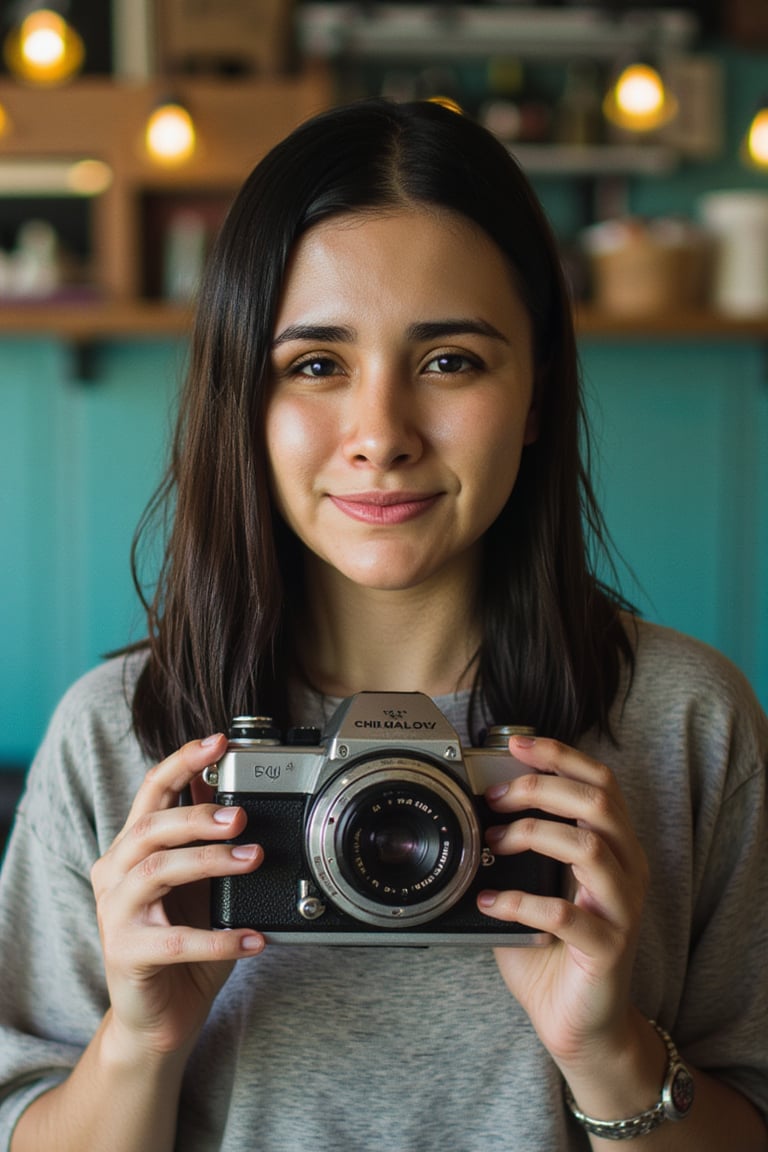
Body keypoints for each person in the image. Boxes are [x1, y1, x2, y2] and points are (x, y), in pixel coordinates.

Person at [0, 98, 766, 1152]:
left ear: (536, 389)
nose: (381, 436)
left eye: (450, 360)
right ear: (243, 399)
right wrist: (141, 1041)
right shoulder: (120, 739)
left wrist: (607, 1049)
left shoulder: (686, 725)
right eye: (316, 365)